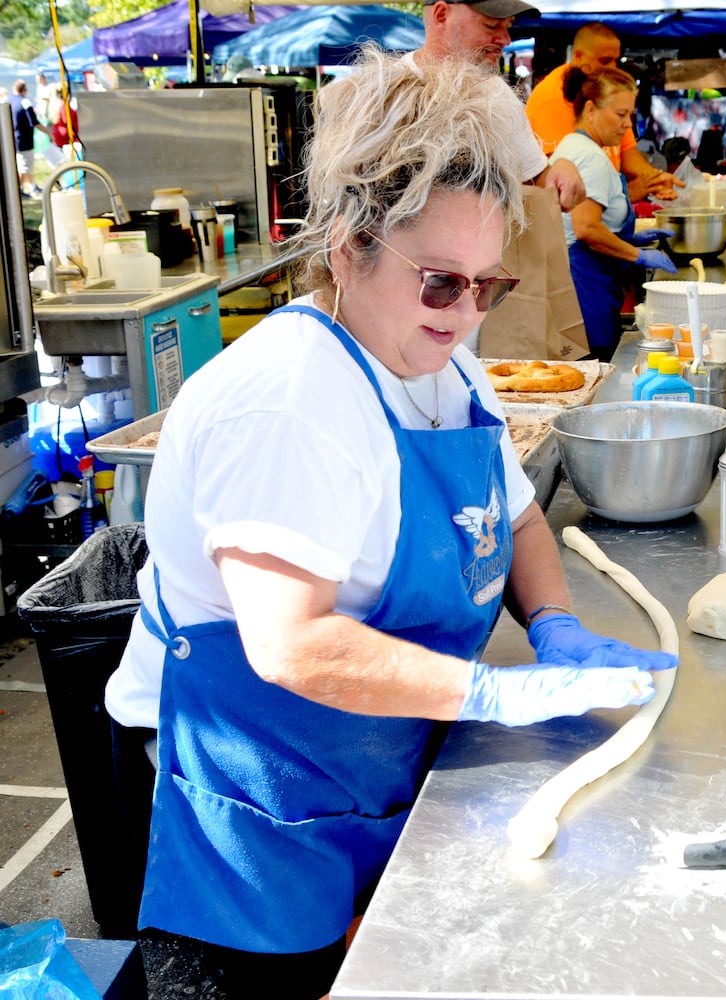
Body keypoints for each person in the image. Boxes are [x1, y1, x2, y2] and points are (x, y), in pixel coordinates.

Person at [105, 49, 677, 1000]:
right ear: (347, 247)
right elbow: (290, 647)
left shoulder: (440, 368)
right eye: (439, 282)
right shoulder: (292, 404)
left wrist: (554, 628)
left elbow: (520, 518)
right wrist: (492, 695)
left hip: (358, 748)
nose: (463, 316)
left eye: (485, 286)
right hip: (244, 790)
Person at [550, 66, 678, 361]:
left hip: (585, 283)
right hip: (583, 288)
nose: (627, 125)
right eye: (620, 115)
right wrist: (639, 255)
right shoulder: (590, 157)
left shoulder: (579, 147)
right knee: (589, 369)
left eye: (630, 116)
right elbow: (586, 228)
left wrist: (632, 238)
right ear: (591, 109)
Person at [411, 0, 586, 210]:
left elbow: (533, 178)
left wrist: (558, 172)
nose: (505, 39)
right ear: (441, 15)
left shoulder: (498, 93)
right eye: (491, 25)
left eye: (508, 26)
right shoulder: (383, 91)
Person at [526, 22, 684, 203]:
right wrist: (626, 194)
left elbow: (627, 152)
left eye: (616, 59)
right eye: (605, 60)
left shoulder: (605, 88)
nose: (613, 67)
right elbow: (558, 179)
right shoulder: (552, 97)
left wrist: (655, 180)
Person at [8, 79, 49, 197]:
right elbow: (34, 122)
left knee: (21, 165)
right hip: (24, 140)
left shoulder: (8, 101)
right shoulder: (25, 102)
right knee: (25, 166)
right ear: (24, 90)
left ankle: (31, 186)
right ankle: (20, 190)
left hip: (12, 139)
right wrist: (48, 132)